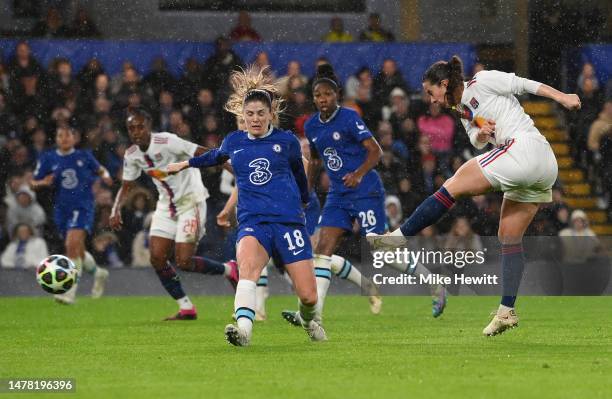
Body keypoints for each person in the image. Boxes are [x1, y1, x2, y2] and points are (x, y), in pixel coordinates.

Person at [369, 55, 581, 336]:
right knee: (508, 235)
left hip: (525, 149)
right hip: (544, 166)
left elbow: (523, 84)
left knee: (453, 184)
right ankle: (507, 311)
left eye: (431, 93)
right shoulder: (462, 111)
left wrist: (562, 96)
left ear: (444, 84)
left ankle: (398, 238)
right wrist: (481, 133)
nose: (430, 100)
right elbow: (476, 140)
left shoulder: (482, 81)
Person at [168, 65, 327, 346]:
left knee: (309, 297)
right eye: (249, 114)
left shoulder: (286, 142)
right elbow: (215, 157)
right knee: (248, 271)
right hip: (254, 222)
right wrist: (185, 163)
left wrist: (304, 201)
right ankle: (243, 330)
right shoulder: (235, 141)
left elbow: (301, 176)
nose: (255, 119)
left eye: (260, 114)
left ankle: (308, 318)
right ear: (243, 116)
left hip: (288, 223)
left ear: (270, 115)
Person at [282, 64, 447, 326]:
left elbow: (375, 151)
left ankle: (432, 281)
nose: (323, 99)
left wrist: (358, 173)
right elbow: (314, 161)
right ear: (313, 98)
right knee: (323, 250)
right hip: (338, 194)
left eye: (327, 94)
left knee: (380, 249)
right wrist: (306, 191)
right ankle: (314, 317)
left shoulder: (349, 118)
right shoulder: (312, 125)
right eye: (318, 95)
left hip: (365, 189)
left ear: (337, 95)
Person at [109, 107, 238, 321]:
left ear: (149, 126)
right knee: (157, 258)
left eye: (140, 126)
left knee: (183, 261)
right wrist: (115, 209)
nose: (136, 131)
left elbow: (201, 151)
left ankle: (229, 270)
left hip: (191, 202)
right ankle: (186, 307)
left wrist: (232, 168)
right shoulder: (132, 155)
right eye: (131, 128)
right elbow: (126, 185)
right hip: (166, 206)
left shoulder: (167, 141)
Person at [30, 127, 112, 302]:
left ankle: (68, 292)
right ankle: (99, 273)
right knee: (77, 250)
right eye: (60, 135)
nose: (64, 138)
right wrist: (42, 182)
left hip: (83, 206)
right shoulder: (48, 158)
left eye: (68, 135)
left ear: (74, 138)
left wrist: (106, 176)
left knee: (71, 244)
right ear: (57, 139)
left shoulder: (84, 156)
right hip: (61, 209)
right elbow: (33, 182)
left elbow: (100, 169)